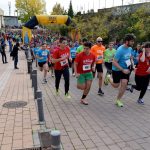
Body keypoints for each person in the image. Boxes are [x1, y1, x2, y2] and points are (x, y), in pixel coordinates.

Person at [105, 34, 135, 107]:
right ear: (126, 41)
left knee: (124, 84)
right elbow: (114, 62)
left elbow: (130, 57)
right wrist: (122, 69)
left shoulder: (130, 49)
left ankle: (118, 100)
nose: (133, 43)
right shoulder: (120, 50)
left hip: (126, 69)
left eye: (133, 41)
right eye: (131, 41)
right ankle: (108, 77)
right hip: (117, 69)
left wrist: (133, 65)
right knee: (116, 85)